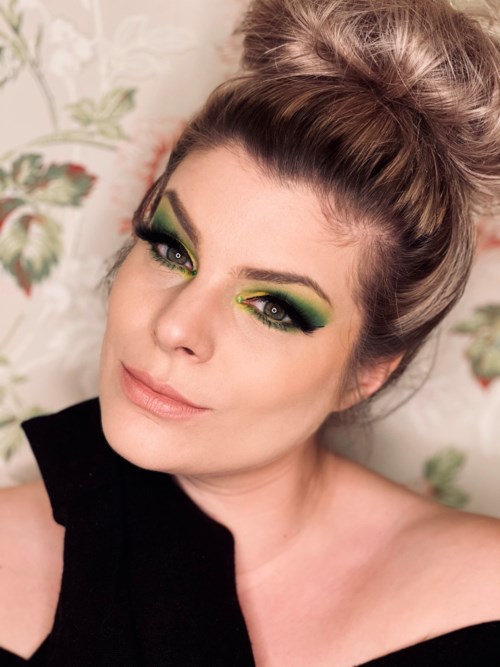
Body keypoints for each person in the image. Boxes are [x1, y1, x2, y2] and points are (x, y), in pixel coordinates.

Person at [1, 0, 500, 664]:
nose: (175, 325)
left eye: (272, 307)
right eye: (171, 249)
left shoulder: (483, 599)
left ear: (366, 372)